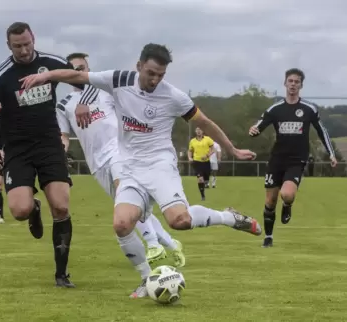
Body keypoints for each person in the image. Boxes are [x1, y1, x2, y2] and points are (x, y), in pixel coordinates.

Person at [21, 43, 262, 298]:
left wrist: (232, 150)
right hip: (129, 168)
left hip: (160, 166)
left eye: (161, 74)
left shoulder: (174, 96)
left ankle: (228, 217)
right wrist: (45, 76)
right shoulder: (119, 80)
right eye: (150, 73)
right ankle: (148, 280)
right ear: (138, 67)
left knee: (179, 221)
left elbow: (206, 123)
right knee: (122, 224)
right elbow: (78, 76)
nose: (155, 79)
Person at [0, 22, 99, 288]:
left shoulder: (51, 63)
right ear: (9, 46)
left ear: (34, 39)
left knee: (62, 206)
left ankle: (61, 275)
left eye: (27, 44)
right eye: (17, 46)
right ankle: (34, 208)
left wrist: (83, 101)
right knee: (19, 210)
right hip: (17, 149)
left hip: (49, 145)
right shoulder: (1, 75)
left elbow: (89, 80)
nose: (23, 50)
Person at [57, 52, 186, 266]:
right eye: (76, 69)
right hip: (96, 163)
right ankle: (172, 244)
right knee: (131, 209)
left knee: (124, 197)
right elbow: (63, 136)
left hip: (120, 153)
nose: (81, 72)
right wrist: (61, 151)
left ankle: (153, 244)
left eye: (84, 68)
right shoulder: (63, 105)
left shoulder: (105, 91)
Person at [249, 68, 337, 248]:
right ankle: (269, 237)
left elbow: (322, 131)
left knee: (287, 194)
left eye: (297, 82)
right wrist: (254, 131)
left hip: (297, 160)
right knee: (270, 201)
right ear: (285, 83)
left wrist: (331, 153)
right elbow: (260, 125)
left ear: (301, 86)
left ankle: (288, 205)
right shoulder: (276, 109)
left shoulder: (309, 109)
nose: (293, 85)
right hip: (277, 159)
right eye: (290, 81)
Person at [188, 127, 214, 200]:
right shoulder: (192, 141)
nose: (199, 131)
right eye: (197, 130)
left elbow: (213, 149)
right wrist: (190, 157)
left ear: (203, 131)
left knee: (206, 179)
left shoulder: (208, 139)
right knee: (200, 179)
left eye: (200, 130)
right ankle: (202, 196)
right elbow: (190, 150)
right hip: (197, 162)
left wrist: (207, 155)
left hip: (206, 162)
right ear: (195, 131)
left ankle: (205, 183)